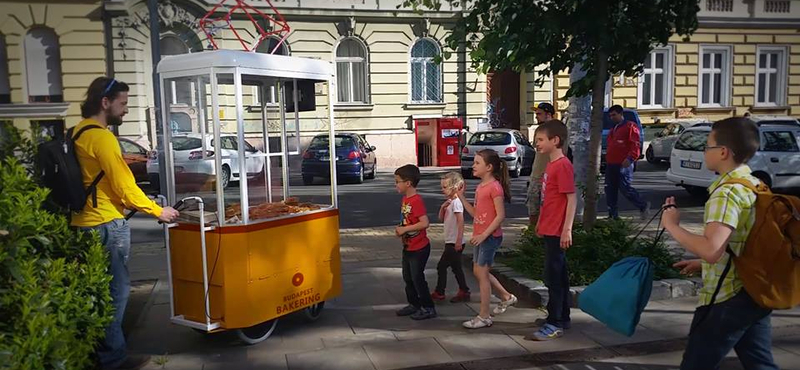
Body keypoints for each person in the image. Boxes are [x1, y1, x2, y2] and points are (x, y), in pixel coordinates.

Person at [71, 77, 180, 370]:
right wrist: (158, 210)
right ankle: (114, 360)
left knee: (96, 291)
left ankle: (95, 351)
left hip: (82, 221)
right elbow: (124, 185)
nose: (126, 110)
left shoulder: (77, 132)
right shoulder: (104, 138)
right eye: (123, 104)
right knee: (117, 292)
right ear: (105, 103)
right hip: (106, 224)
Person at [661, 118, 777, 370]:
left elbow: (712, 250)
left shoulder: (726, 193)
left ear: (723, 152)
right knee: (760, 363)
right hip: (754, 290)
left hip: (727, 297)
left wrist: (671, 225)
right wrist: (702, 263)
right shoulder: (756, 185)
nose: (704, 151)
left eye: (708, 146)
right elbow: (743, 243)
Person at [525, 120, 577, 341]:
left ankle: (555, 323)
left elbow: (571, 199)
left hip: (558, 231)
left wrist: (567, 229)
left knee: (554, 278)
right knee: (558, 275)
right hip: (549, 228)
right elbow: (549, 200)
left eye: (540, 140)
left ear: (555, 141)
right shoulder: (551, 164)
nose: (537, 144)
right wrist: (540, 222)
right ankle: (561, 316)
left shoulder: (563, 165)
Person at [458, 149, 517, 329]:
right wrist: (460, 197)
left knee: (482, 274)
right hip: (481, 236)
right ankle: (506, 297)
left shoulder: (494, 187)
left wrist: (484, 234)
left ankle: (484, 316)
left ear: (489, 167)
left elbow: (500, 216)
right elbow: (477, 214)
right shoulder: (481, 187)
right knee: (479, 272)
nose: (473, 166)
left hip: (489, 238)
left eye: (477, 163)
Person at [394, 164, 437, 320]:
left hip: (419, 248)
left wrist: (405, 230)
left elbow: (424, 223)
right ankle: (414, 304)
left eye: (397, 181)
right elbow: (407, 220)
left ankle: (428, 307)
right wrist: (401, 229)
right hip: (409, 246)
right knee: (408, 277)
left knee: (418, 278)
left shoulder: (416, 200)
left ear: (408, 183)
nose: (395, 185)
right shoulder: (405, 199)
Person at [431, 172, 471, 303]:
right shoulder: (450, 203)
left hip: (454, 242)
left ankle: (440, 291)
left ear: (454, 187)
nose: (442, 190)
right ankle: (464, 290)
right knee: (456, 267)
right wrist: (442, 208)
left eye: (445, 187)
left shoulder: (457, 203)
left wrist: (458, 240)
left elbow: (460, 221)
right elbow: (441, 218)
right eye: (442, 187)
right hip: (450, 241)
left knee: (441, 266)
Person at [605, 105, 650, 220]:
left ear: (621, 114)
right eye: (610, 116)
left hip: (623, 164)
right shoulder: (613, 129)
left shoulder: (630, 127)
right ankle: (613, 215)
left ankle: (642, 205)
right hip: (611, 164)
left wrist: (630, 159)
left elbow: (635, 144)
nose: (612, 118)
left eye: (614, 115)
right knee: (610, 190)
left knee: (625, 188)